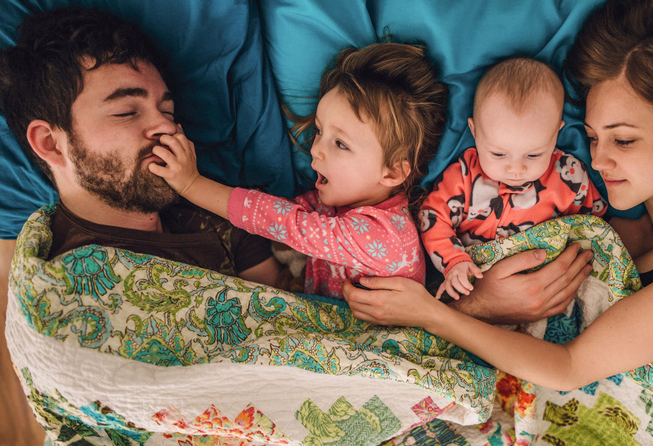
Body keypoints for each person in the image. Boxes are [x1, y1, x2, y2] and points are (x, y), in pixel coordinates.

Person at [344, 0, 653, 396]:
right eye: (594, 137)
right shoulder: (601, 222)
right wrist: (482, 304)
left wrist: (433, 315)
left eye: (624, 141)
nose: (598, 161)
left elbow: (571, 368)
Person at [0, 7, 280, 285]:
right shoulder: (60, 284)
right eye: (126, 112)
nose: (168, 127)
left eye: (168, 111)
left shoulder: (218, 211)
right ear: (50, 143)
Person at [149, 43, 449, 299]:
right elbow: (299, 211)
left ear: (393, 173)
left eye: (340, 144)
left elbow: (285, 222)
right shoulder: (343, 202)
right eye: (318, 131)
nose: (315, 149)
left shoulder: (385, 235)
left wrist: (191, 185)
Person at [420, 56, 606, 300]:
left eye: (533, 154)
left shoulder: (569, 175)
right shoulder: (464, 176)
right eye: (498, 153)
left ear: (556, 135)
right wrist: (454, 261)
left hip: (548, 285)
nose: (516, 169)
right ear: (475, 133)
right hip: (474, 284)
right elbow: (432, 217)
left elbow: (597, 224)